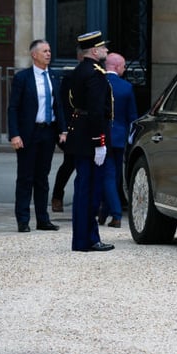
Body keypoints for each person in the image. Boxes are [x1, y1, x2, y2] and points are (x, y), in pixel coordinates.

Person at [7, 39, 66, 232]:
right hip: (27, 134)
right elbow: (13, 108)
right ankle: (23, 220)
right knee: (25, 177)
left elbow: (58, 106)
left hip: (47, 133)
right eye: (45, 51)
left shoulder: (54, 77)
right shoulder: (23, 78)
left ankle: (43, 219)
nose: (49, 54)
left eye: (49, 50)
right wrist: (14, 134)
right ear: (34, 55)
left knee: (42, 178)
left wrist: (62, 130)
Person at [65, 31, 115, 252]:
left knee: (83, 189)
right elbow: (95, 111)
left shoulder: (79, 71)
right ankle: (89, 239)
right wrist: (99, 142)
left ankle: (81, 239)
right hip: (90, 139)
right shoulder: (95, 74)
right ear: (94, 51)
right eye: (103, 48)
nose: (106, 51)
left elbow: (73, 103)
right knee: (91, 191)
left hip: (80, 135)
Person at [98, 52, 138, 228]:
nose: (124, 69)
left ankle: (111, 213)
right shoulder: (126, 87)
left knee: (108, 176)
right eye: (122, 66)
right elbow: (132, 117)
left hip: (102, 134)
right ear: (116, 66)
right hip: (120, 137)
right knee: (114, 177)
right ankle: (111, 213)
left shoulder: (98, 83)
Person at [51, 48, 84, 213]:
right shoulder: (71, 77)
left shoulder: (98, 75)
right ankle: (57, 196)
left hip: (86, 130)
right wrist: (64, 130)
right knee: (69, 163)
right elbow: (63, 106)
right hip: (71, 129)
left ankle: (83, 198)